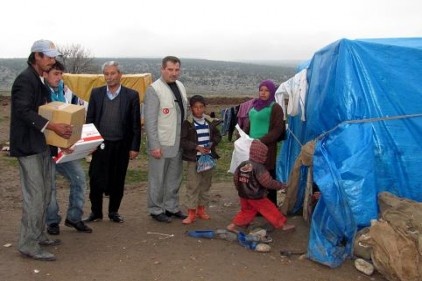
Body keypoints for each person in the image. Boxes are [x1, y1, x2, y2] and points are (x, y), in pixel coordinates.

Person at [10, 39, 73, 261]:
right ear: (36, 55)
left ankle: (39, 234)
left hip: (42, 145)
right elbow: (24, 111)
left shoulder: (39, 80)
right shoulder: (25, 81)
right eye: (48, 56)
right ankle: (28, 244)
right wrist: (54, 126)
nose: (52, 60)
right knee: (35, 196)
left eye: (54, 56)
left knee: (46, 192)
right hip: (28, 147)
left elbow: (48, 111)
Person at [84, 61, 141, 223]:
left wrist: (134, 147)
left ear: (120, 75)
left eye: (113, 73)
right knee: (95, 179)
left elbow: (135, 124)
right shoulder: (96, 93)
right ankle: (96, 212)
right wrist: (89, 143)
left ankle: (113, 212)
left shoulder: (131, 96)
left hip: (121, 145)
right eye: (106, 74)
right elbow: (90, 120)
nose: (109, 77)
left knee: (118, 179)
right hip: (100, 145)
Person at [43, 61, 92, 235]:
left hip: (66, 149)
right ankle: (52, 221)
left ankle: (74, 217)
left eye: (60, 74)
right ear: (45, 74)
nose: (59, 77)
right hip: (46, 151)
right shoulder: (40, 93)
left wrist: (85, 140)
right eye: (55, 74)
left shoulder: (65, 91)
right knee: (49, 186)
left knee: (79, 179)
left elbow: (82, 109)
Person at [144, 56, 188, 223]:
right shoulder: (154, 89)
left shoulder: (181, 86)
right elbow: (150, 120)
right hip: (161, 143)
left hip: (178, 142)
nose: (173, 73)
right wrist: (154, 145)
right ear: (162, 69)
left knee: (174, 177)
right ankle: (155, 209)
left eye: (177, 70)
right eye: (170, 69)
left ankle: (171, 207)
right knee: (158, 178)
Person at [227, 140, 295, 233]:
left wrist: (239, 189)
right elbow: (267, 182)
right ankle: (282, 224)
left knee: (247, 210)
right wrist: (280, 185)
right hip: (256, 195)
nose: (266, 156)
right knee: (270, 209)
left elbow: (235, 178)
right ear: (260, 154)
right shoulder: (259, 168)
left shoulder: (243, 164)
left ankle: (233, 225)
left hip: (243, 194)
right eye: (264, 154)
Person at [180, 95, 222, 224]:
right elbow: (183, 141)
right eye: (195, 107)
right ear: (191, 108)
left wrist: (211, 144)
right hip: (194, 159)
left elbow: (217, 136)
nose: (198, 110)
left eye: (201, 107)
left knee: (205, 185)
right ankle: (191, 213)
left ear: (204, 107)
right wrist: (196, 147)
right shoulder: (187, 123)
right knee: (193, 185)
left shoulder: (210, 122)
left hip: (208, 158)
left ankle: (201, 210)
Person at [243, 80, 285, 206]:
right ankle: (257, 206)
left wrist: (261, 141)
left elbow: (278, 129)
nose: (263, 93)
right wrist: (243, 135)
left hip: (266, 147)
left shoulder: (275, 107)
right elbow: (250, 123)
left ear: (272, 92)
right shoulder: (254, 106)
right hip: (251, 146)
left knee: (267, 176)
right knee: (253, 175)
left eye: (267, 90)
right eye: (261, 90)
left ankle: (271, 206)